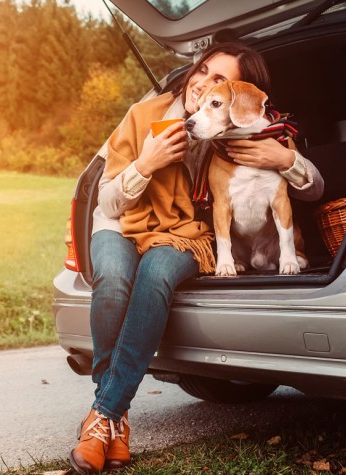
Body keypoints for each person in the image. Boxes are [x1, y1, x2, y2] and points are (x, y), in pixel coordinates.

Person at [69, 42, 324, 474]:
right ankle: (113, 416)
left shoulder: (239, 132)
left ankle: (103, 418)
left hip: (187, 236)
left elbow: (314, 188)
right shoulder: (143, 116)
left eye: (219, 79)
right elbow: (108, 204)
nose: (202, 83)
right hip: (122, 224)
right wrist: (145, 164)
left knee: (156, 275)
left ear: (239, 94)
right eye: (203, 70)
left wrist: (285, 158)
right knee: (112, 279)